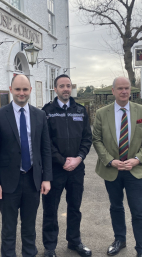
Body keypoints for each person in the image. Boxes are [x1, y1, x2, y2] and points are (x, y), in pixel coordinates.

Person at [0, 74, 52, 257]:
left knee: (29, 226)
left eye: (25, 89)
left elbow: (45, 148)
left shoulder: (40, 115)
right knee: (9, 228)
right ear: (11, 90)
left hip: (33, 179)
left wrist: (46, 177)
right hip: (7, 182)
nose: (21, 93)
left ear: (30, 90)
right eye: (17, 89)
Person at [92, 77, 142, 257]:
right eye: (120, 88)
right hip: (112, 170)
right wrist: (110, 160)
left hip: (135, 169)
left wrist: (137, 159)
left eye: (127, 88)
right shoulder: (102, 113)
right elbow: (97, 139)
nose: (124, 91)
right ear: (113, 91)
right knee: (116, 206)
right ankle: (120, 239)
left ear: (130, 91)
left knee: (138, 210)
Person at [42, 74, 92, 257]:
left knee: (74, 208)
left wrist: (78, 158)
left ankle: (74, 241)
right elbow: (45, 141)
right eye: (62, 86)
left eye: (68, 86)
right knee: (50, 209)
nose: (65, 89)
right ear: (55, 89)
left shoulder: (80, 110)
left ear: (72, 88)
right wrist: (62, 161)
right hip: (55, 169)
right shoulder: (47, 111)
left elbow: (87, 138)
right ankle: (49, 247)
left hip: (77, 169)